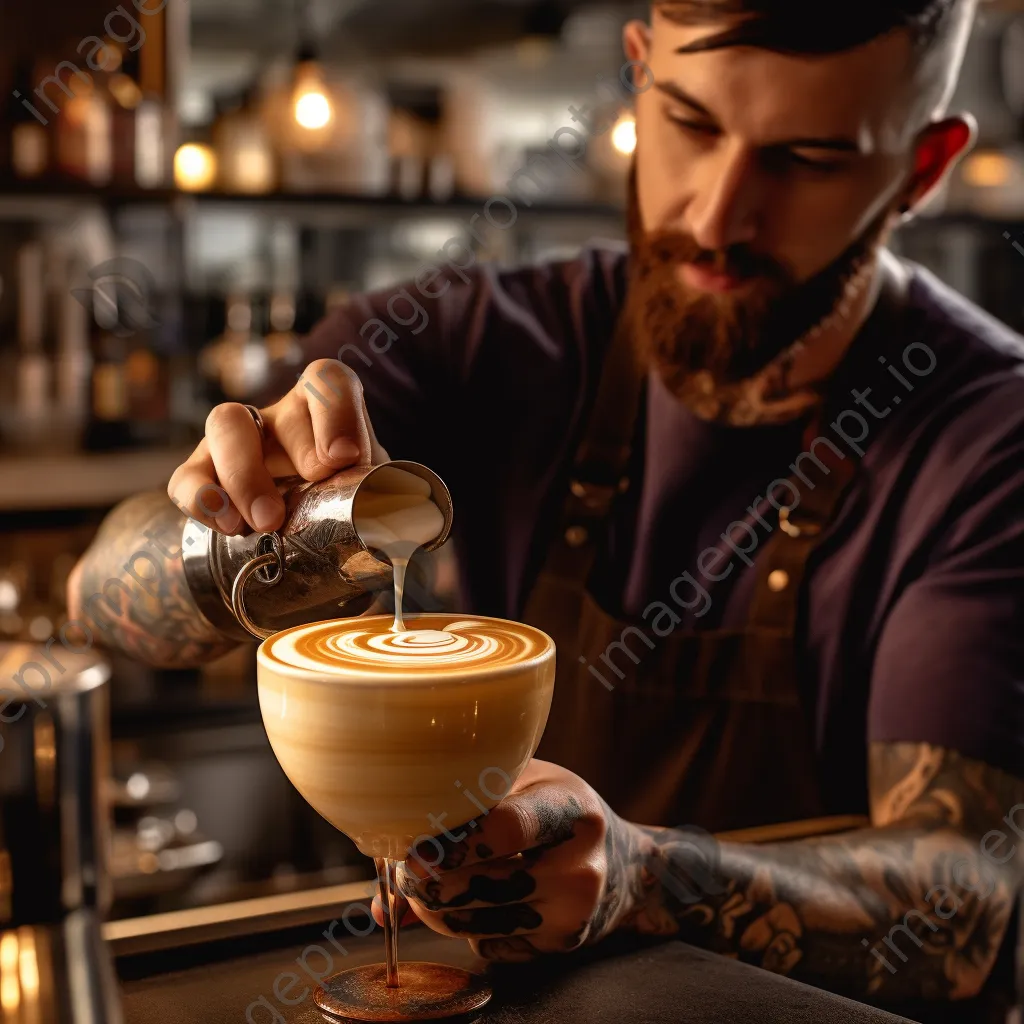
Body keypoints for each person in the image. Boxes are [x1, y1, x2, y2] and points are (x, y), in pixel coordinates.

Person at [67, 0, 1024, 1015]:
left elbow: (969, 902)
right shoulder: (477, 339)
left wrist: (644, 880)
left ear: (923, 168)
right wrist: (262, 535)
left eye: (809, 158)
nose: (714, 215)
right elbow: (99, 596)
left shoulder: (986, 437)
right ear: (636, 69)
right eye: (692, 124)